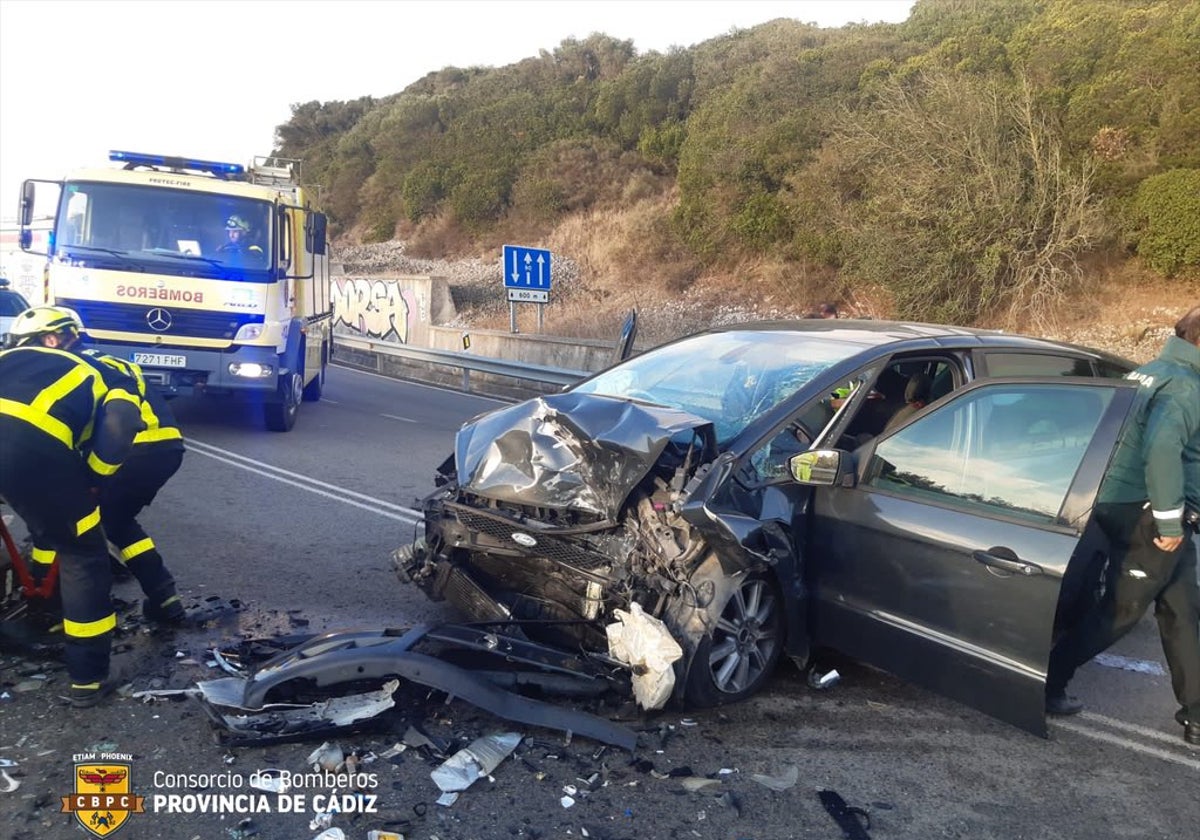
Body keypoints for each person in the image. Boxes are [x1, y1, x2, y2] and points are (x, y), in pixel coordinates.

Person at [1045, 305, 1200, 746]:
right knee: (1121, 610)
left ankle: (1196, 715)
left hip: (1123, 502)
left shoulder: (1148, 371)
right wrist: (1169, 519)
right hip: (1147, 514)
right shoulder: (1186, 387)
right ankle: (1047, 681)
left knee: (1183, 608)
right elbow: (1164, 448)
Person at [0, 306, 145, 708]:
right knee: (84, 555)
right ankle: (88, 679)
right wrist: (95, 478)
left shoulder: (3, 359)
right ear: (59, 338)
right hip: (30, 451)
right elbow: (121, 424)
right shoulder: (92, 370)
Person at [76, 349, 188, 624]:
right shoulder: (112, 360)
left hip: (130, 447)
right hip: (168, 447)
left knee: (79, 515)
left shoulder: (71, 368)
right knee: (117, 519)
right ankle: (165, 598)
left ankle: (77, 600)